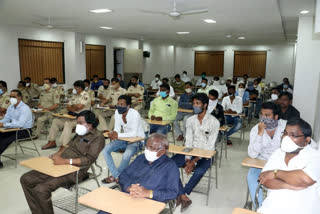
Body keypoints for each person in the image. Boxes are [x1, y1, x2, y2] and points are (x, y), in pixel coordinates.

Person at [20, 110, 105, 214]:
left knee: (41, 189)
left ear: (90, 124)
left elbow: (89, 159)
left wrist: (65, 161)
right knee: (26, 178)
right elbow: (67, 146)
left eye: (80, 123)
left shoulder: (98, 137)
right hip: (60, 163)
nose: (78, 125)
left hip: (76, 170)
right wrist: (58, 154)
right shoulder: (80, 132)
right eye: (77, 122)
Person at [97, 133, 180, 214]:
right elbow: (123, 175)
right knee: (103, 211)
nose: (147, 150)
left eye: (151, 148)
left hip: (149, 203)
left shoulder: (170, 166)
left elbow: (172, 193)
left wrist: (149, 193)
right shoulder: (141, 158)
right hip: (128, 196)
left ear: (162, 151)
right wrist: (128, 187)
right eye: (146, 146)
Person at [258, 118, 320, 214]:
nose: (286, 138)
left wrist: (275, 173)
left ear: (306, 141)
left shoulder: (315, 156)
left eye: (293, 135)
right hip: (271, 208)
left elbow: (305, 179)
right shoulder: (278, 153)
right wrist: (289, 185)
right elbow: (264, 180)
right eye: (285, 133)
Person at [172, 93, 220, 212]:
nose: (195, 106)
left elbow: (210, 147)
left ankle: (183, 192)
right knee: (170, 163)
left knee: (199, 171)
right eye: (193, 104)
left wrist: (194, 161)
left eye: (197, 104)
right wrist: (188, 159)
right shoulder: (190, 120)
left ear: (205, 105)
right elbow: (188, 141)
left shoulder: (214, 122)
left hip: (207, 154)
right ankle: (183, 195)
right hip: (190, 151)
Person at [247, 102, 286, 208]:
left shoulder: (286, 127)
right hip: (261, 162)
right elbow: (252, 154)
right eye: (261, 114)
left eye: (267, 115)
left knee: (279, 187)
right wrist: (260, 134)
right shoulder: (256, 129)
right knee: (251, 178)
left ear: (276, 117)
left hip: (281, 164)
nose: (263, 118)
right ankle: (259, 208)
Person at [101, 95, 145, 184]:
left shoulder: (135, 114)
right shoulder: (117, 112)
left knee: (126, 154)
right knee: (105, 149)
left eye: (122, 104)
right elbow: (117, 128)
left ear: (128, 106)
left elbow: (134, 134)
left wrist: (117, 135)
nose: (119, 106)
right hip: (124, 138)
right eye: (118, 104)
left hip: (137, 140)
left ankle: (115, 176)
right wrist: (113, 133)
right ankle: (117, 176)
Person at [42, 80, 91, 150]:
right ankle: (51, 141)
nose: (74, 90)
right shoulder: (75, 95)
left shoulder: (86, 95)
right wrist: (73, 107)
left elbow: (79, 107)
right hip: (71, 116)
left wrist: (73, 107)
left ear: (79, 88)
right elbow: (68, 106)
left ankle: (64, 145)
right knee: (55, 121)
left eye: (75, 88)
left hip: (81, 119)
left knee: (68, 124)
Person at [0, 90, 33, 168]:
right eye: (10, 97)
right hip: (13, 129)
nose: (11, 98)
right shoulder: (11, 107)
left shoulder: (24, 108)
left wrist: (3, 124)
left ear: (19, 97)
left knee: (5, 139)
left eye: (14, 97)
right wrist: (1, 123)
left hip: (24, 130)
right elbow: (6, 119)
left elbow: (20, 124)